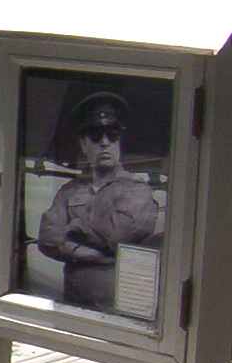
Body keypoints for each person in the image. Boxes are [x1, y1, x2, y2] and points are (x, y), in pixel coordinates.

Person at [36, 92, 160, 308]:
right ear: (84, 144)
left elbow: (118, 234)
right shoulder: (69, 191)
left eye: (112, 135)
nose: (105, 143)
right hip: (73, 304)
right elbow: (47, 239)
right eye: (96, 135)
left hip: (120, 308)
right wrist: (90, 253)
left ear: (119, 142)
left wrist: (73, 229)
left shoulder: (137, 189)